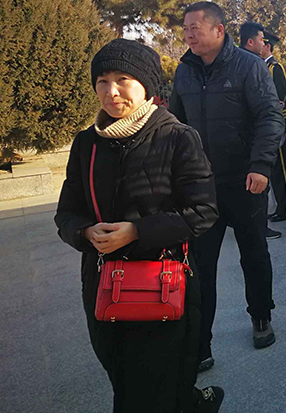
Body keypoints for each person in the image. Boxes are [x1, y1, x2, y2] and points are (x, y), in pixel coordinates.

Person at [55, 39, 224, 412]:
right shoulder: (86, 144)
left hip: (161, 282)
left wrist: (136, 232)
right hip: (103, 284)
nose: (111, 91)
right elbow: (66, 213)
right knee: (124, 378)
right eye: (102, 81)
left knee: (155, 386)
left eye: (122, 79)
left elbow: (204, 211)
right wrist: (84, 232)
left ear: (146, 85)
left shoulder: (177, 137)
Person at [170, 2, 285, 372]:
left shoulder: (248, 66)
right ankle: (200, 341)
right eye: (185, 28)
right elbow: (175, 125)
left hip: (245, 181)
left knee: (254, 252)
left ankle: (261, 316)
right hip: (201, 187)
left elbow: (270, 117)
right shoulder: (184, 71)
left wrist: (261, 165)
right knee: (200, 265)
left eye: (195, 27)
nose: (188, 34)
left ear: (218, 30)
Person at [241, 22, 286, 223]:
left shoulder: (275, 68)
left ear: (267, 46)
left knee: (282, 170)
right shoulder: (259, 66)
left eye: (263, 43)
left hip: (277, 126)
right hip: (265, 128)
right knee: (274, 172)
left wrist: (281, 123)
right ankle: (280, 207)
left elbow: (282, 98)